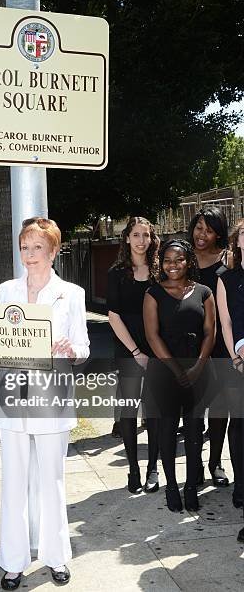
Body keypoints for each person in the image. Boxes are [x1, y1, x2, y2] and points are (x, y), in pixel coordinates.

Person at [0, 217, 90, 590]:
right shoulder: (6, 290)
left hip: (52, 395)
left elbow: (83, 347)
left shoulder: (70, 293)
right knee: (14, 482)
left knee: (51, 481)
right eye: (25, 247)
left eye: (38, 247)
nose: (30, 254)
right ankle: (13, 561)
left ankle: (56, 558)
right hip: (13, 395)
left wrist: (72, 349)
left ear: (54, 252)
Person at [144, 239, 216, 512]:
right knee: (167, 428)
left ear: (189, 261)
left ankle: (190, 487)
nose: (172, 266)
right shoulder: (153, 293)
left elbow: (210, 332)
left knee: (195, 429)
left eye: (179, 260)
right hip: (164, 371)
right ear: (161, 264)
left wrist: (198, 367)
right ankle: (171, 486)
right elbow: (152, 335)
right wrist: (176, 370)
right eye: (167, 261)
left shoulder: (204, 292)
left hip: (198, 369)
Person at [106, 216, 160, 494]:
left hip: (157, 349)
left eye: (146, 235)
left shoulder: (159, 271)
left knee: (153, 412)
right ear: (127, 238)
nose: (141, 240)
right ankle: (134, 469)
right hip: (129, 350)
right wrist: (136, 352)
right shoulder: (116, 273)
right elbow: (113, 316)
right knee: (128, 410)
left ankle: (152, 468)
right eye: (136, 235)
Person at [188, 208, 233, 486]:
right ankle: (195, 466)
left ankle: (216, 463)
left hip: (220, 344)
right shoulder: (182, 258)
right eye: (199, 228)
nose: (202, 235)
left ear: (218, 233)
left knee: (220, 407)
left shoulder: (227, 261)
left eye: (209, 230)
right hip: (189, 342)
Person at [217, 218, 244, 542]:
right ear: (237, 242)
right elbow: (225, 321)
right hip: (239, 360)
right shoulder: (226, 278)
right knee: (238, 426)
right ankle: (241, 484)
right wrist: (235, 359)